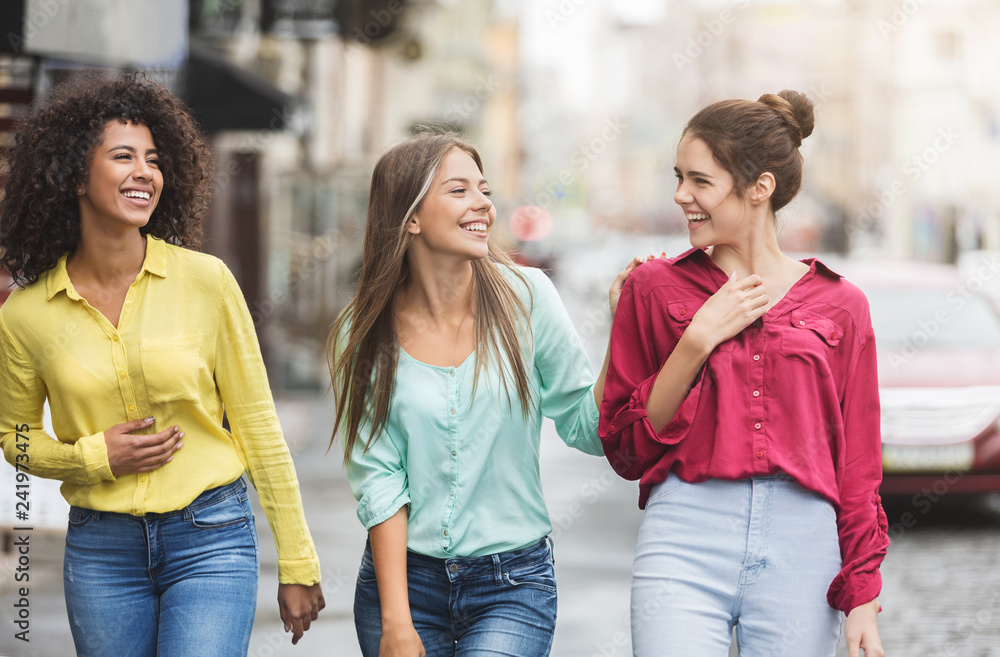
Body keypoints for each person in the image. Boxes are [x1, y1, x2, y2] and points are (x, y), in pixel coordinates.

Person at [0, 71, 325, 655]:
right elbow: (14, 439)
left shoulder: (206, 282)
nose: (144, 172)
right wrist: (95, 456)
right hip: (102, 551)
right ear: (76, 173)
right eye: (123, 156)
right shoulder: (26, 314)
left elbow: (257, 425)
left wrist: (297, 558)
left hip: (212, 538)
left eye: (153, 158)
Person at [328, 132, 642, 657]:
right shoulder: (362, 333)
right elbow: (379, 480)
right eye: (459, 190)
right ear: (410, 217)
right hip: (406, 586)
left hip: (513, 585)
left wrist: (620, 331)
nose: (483, 205)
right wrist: (396, 623)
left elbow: (588, 429)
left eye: (485, 189)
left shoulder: (528, 297)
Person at [600, 90, 889, 657]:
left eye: (700, 181)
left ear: (761, 188)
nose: (682, 195)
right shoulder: (652, 288)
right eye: (678, 177)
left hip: (803, 544)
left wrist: (861, 597)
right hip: (684, 533)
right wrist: (696, 340)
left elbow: (858, 469)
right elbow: (624, 448)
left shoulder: (842, 305)